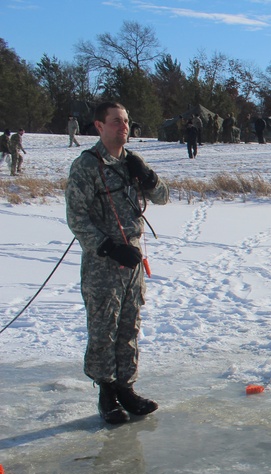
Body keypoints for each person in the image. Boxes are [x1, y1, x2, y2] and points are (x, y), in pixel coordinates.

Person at [65, 101, 169, 424]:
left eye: (126, 121)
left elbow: (163, 196)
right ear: (99, 126)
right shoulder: (86, 166)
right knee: (103, 329)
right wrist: (108, 247)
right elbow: (76, 218)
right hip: (104, 262)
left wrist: (148, 177)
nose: (123, 126)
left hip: (133, 260)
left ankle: (127, 388)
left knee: (129, 327)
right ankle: (106, 393)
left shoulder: (132, 163)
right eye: (115, 122)